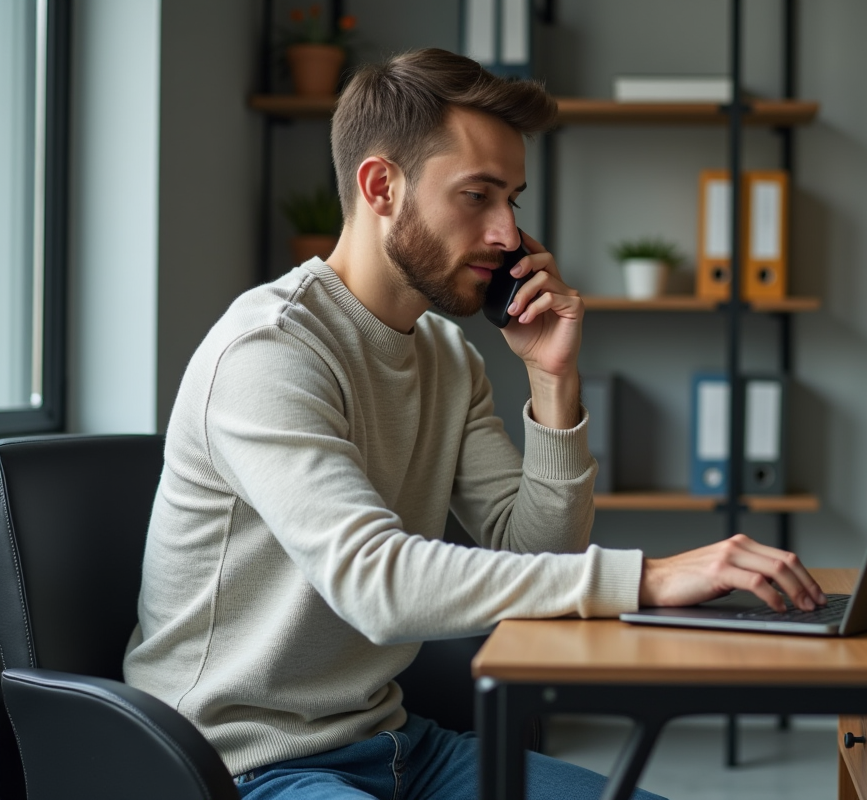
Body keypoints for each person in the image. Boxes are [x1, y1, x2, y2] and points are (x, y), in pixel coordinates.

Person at [124, 48, 826, 800]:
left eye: (513, 201)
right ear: (380, 186)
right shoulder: (268, 351)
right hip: (238, 767)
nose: (506, 234)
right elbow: (376, 582)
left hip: (395, 746)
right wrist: (647, 578)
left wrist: (552, 381)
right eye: (477, 196)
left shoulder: (444, 356)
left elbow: (535, 553)